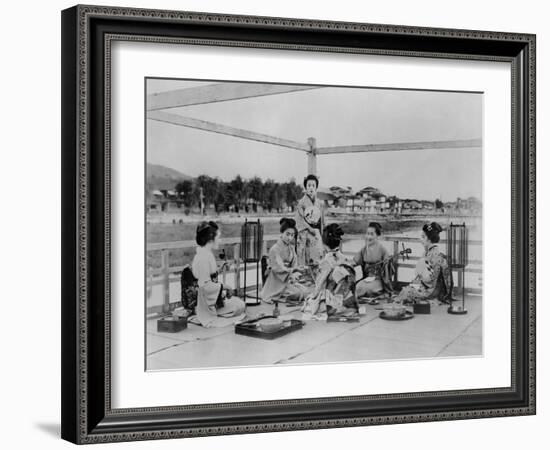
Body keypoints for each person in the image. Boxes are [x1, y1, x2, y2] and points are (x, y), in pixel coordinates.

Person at [191, 221, 245, 328]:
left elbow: (209, 277)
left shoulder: (205, 254)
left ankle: (219, 310)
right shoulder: (203, 258)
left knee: (240, 304)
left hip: (213, 298)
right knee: (240, 305)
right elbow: (205, 286)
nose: (219, 240)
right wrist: (226, 287)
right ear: (211, 238)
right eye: (218, 237)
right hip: (205, 302)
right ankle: (209, 313)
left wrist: (220, 269)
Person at [302, 223, 359, 320]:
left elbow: (320, 284)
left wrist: (313, 295)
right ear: (339, 242)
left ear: (324, 243)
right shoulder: (344, 258)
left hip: (332, 301)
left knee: (309, 303)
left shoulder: (326, 261)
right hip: (348, 300)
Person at [394, 222, 453, 304]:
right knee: (406, 290)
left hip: (431, 290)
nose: (421, 239)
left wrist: (420, 279)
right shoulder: (427, 253)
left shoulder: (435, 255)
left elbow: (431, 280)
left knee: (406, 291)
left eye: (423, 237)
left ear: (429, 239)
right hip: (427, 286)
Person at [261, 218, 311, 304]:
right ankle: (277, 296)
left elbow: (294, 263)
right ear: (282, 233)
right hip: (276, 282)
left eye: (292, 235)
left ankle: (287, 293)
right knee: (298, 293)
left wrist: (297, 269)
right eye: (287, 234)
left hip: (288, 280)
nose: (290, 238)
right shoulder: (274, 249)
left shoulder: (291, 248)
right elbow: (279, 268)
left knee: (306, 292)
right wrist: (293, 271)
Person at [353, 222, 394, 298]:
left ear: (377, 236)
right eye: (367, 234)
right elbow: (354, 262)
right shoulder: (364, 249)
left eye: (371, 234)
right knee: (357, 288)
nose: (368, 237)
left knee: (367, 289)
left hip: (379, 280)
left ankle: (383, 292)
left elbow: (387, 272)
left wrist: (386, 263)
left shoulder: (383, 250)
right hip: (367, 278)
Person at [295, 174, 324, 266]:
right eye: (309, 185)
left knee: (317, 259)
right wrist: (309, 228)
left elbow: (321, 220)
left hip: (315, 233)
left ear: (316, 188)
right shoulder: (301, 203)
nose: (311, 188)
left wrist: (320, 232)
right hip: (305, 233)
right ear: (305, 188)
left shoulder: (319, 203)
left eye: (313, 185)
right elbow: (299, 219)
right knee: (304, 259)